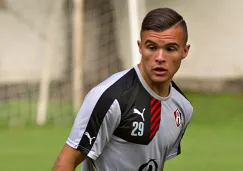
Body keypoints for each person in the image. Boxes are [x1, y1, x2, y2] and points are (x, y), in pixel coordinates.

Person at [52, 7, 193, 171]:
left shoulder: (183, 108)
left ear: (185, 51)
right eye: (152, 47)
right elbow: (65, 163)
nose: (160, 58)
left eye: (170, 49)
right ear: (140, 47)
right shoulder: (110, 98)